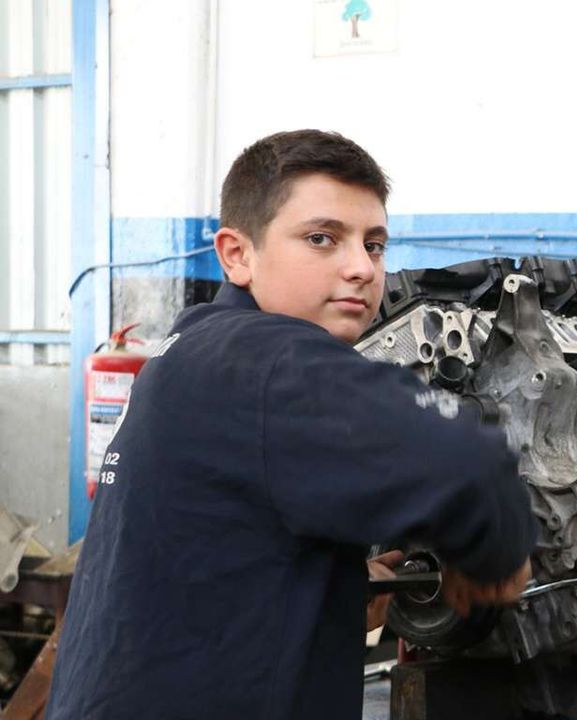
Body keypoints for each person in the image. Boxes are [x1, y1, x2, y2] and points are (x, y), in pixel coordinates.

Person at [47, 130, 537, 719]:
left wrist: (334, 586)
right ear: (237, 254)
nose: (361, 268)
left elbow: (213, 546)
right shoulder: (269, 358)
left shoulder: (194, 347)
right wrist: (494, 556)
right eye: (321, 239)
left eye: (374, 245)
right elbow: (472, 464)